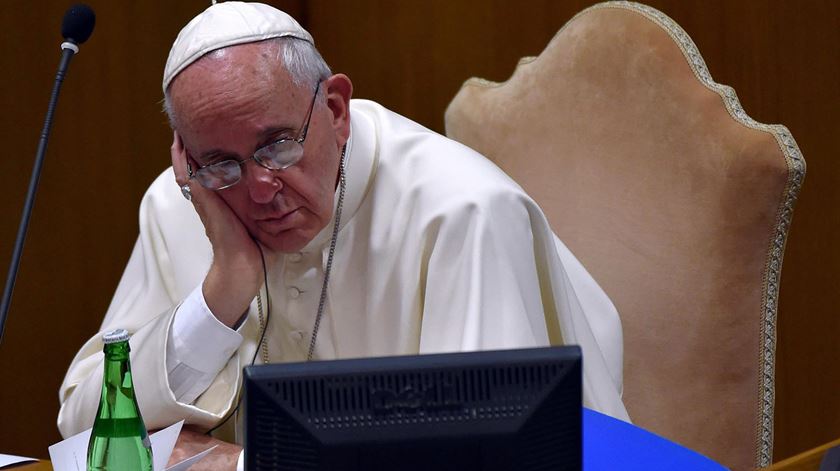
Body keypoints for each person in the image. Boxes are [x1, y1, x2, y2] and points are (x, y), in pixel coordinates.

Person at [57, 2, 628, 469]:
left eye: (278, 144)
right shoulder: (181, 200)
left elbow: (486, 458)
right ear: (187, 158)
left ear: (335, 108)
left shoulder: (463, 212)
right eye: (221, 163)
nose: (259, 189)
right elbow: (81, 428)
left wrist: (240, 466)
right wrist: (223, 291)